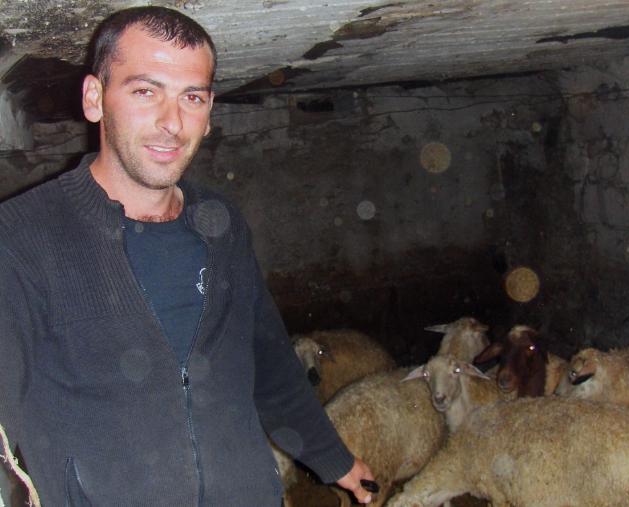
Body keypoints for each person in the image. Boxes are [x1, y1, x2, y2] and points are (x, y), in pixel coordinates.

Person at [0, 6, 375, 506]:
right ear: (94, 98)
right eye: (145, 91)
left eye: (191, 97)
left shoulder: (222, 225)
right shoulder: (21, 237)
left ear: (210, 110)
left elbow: (268, 359)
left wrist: (332, 457)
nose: (171, 123)